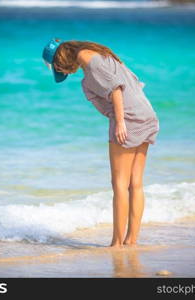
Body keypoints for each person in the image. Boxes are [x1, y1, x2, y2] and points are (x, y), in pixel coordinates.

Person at [42, 38, 160, 248]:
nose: (64, 72)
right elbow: (133, 83)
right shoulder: (103, 56)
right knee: (135, 183)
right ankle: (131, 240)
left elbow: (116, 89)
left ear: (60, 59)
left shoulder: (92, 63)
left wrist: (121, 122)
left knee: (119, 185)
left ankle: (116, 243)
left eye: (59, 68)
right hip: (146, 114)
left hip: (128, 119)